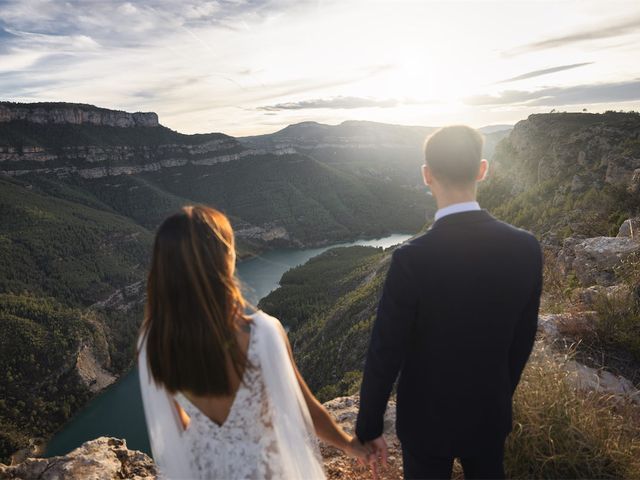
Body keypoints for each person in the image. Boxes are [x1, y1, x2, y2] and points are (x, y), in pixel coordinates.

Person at [356, 126, 542, 479]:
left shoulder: (412, 259)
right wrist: (500, 393)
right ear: (482, 169)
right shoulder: (526, 247)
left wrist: (369, 427)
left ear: (427, 175)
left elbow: (386, 350)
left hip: (425, 422)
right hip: (489, 412)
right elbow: (523, 340)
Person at [138, 205, 368, 479]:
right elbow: (302, 407)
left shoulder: (154, 340)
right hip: (261, 468)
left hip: (202, 467)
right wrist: (349, 444)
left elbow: (177, 425)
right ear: (224, 260)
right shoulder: (261, 333)